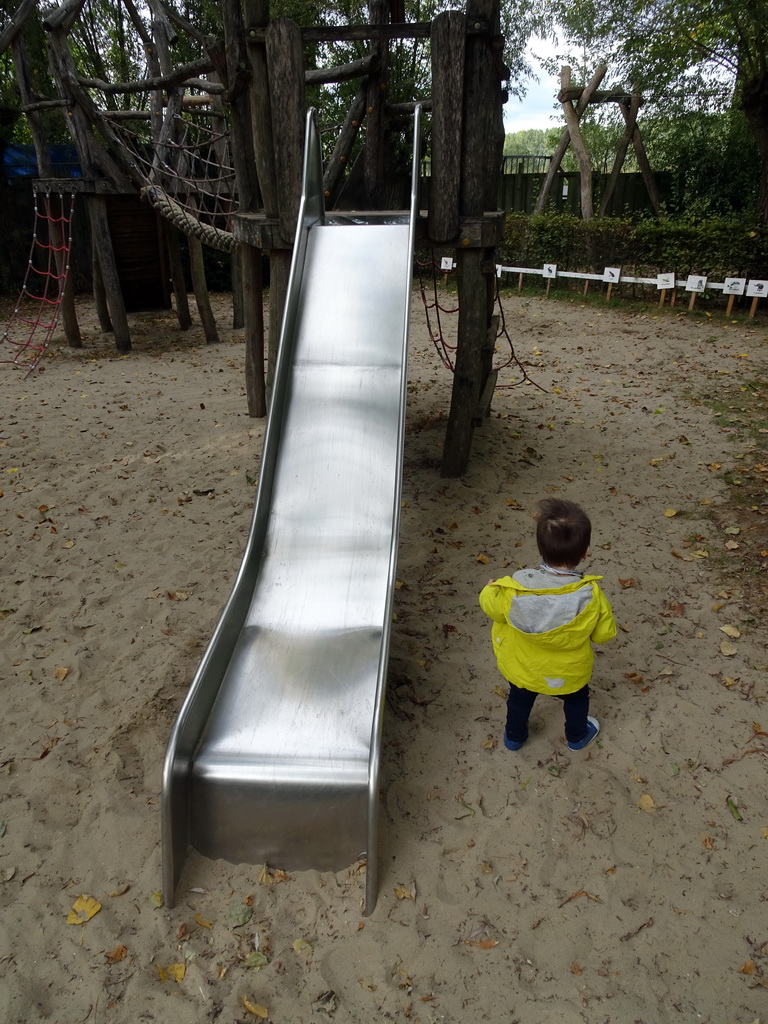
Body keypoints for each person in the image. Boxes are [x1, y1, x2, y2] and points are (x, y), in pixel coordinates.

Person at [478, 497, 616, 752]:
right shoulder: (591, 594)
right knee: (576, 700)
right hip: (569, 672)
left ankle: (514, 737)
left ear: (541, 549)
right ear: (584, 553)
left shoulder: (515, 586)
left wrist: (488, 590)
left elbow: (493, 609)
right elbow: (603, 634)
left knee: (519, 698)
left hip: (524, 667)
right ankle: (576, 737)